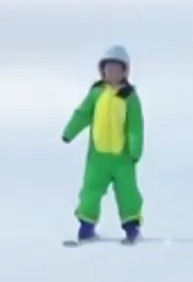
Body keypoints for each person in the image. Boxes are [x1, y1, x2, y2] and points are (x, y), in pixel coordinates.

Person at [61, 45, 146, 244]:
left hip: (123, 158)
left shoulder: (130, 97)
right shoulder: (96, 93)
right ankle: (86, 228)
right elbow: (83, 114)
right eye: (108, 69)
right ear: (102, 71)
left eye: (117, 69)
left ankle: (132, 229)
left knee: (128, 193)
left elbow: (135, 126)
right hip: (97, 158)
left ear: (125, 71)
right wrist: (70, 132)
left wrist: (135, 149)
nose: (112, 73)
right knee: (90, 191)